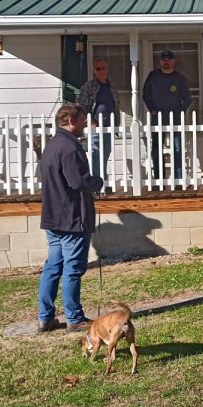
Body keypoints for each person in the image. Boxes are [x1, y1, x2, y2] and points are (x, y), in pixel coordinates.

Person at [38, 104, 105, 333]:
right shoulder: (69, 147)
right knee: (73, 269)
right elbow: (78, 181)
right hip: (72, 218)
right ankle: (74, 318)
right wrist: (97, 182)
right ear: (71, 120)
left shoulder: (52, 145)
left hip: (52, 217)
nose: (85, 124)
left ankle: (45, 318)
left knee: (53, 267)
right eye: (83, 120)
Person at [142, 49, 192, 180]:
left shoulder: (179, 79)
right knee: (157, 149)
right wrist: (152, 109)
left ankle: (179, 180)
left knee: (178, 148)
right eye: (164, 60)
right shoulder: (153, 76)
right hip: (157, 117)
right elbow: (145, 95)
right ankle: (159, 180)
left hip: (175, 118)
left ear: (173, 61)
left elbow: (187, 99)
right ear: (160, 62)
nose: (166, 62)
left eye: (169, 60)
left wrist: (180, 112)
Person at [78, 58, 118, 177]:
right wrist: (91, 122)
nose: (101, 71)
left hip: (109, 127)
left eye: (103, 68)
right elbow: (81, 106)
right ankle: (97, 184)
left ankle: (103, 181)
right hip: (95, 128)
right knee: (96, 154)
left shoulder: (111, 87)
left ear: (107, 69)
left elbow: (115, 107)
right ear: (94, 71)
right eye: (98, 69)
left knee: (105, 155)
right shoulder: (89, 86)